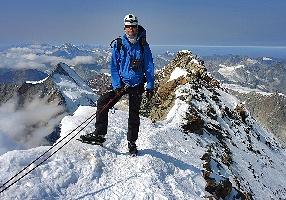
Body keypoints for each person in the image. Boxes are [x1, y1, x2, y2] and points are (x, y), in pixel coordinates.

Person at [80, 14, 155, 155]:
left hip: (137, 84)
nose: (131, 29)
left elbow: (149, 66)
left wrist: (150, 85)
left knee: (134, 115)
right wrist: (116, 85)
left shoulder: (144, 46)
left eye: (133, 26)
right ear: (124, 28)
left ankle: (132, 143)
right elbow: (114, 66)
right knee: (103, 102)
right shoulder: (119, 44)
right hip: (121, 84)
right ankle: (99, 134)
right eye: (128, 27)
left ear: (137, 27)